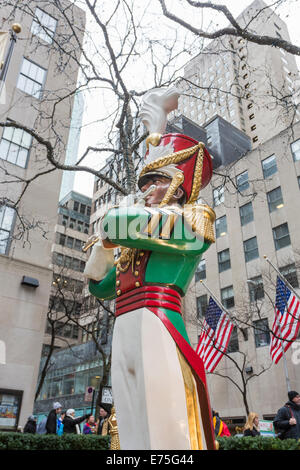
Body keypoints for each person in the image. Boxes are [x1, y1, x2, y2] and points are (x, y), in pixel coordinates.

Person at [84, 87, 216, 450]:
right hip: (125, 326)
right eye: (143, 182)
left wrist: (111, 227)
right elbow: (100, 285)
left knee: (165, 423)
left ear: (177, 187)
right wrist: (102, 248)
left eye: (156, 181)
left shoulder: (193, 218)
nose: (146, 189)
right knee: (130, 426)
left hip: (158, 324)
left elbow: (118, 225)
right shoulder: (137, 232)